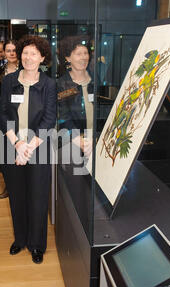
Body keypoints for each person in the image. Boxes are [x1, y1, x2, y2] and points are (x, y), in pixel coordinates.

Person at [0, 35, 56, 264]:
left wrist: (29, 147)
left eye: (34, 53)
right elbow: (3, 113)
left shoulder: (49, 84)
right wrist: (17, 144)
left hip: (38, 148)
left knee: (38, 197)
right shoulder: (9, 81)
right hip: (12, 145)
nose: (28, 57)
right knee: (17, 195)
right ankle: (20, 239)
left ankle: (37, 244)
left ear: (42, 57)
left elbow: (49, 119)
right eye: (25, 52)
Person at [56, 36, 94, 233]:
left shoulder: (96, 80)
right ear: (68, 58)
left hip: (95, 142)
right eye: (78, 53)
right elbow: (62, 117)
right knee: (77, 192)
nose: (83, 57)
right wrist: (78, 139)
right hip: (71, 143)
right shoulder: (62, 84)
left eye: (86, 53)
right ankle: (77, 234)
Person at [0, 40, 19, 199]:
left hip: (21, 116)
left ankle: (20, 185)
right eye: (8, 51)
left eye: (14, 50)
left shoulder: (26, 69)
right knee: (6, 152)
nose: (12, 53)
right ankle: (8, 187)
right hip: (4, 115)